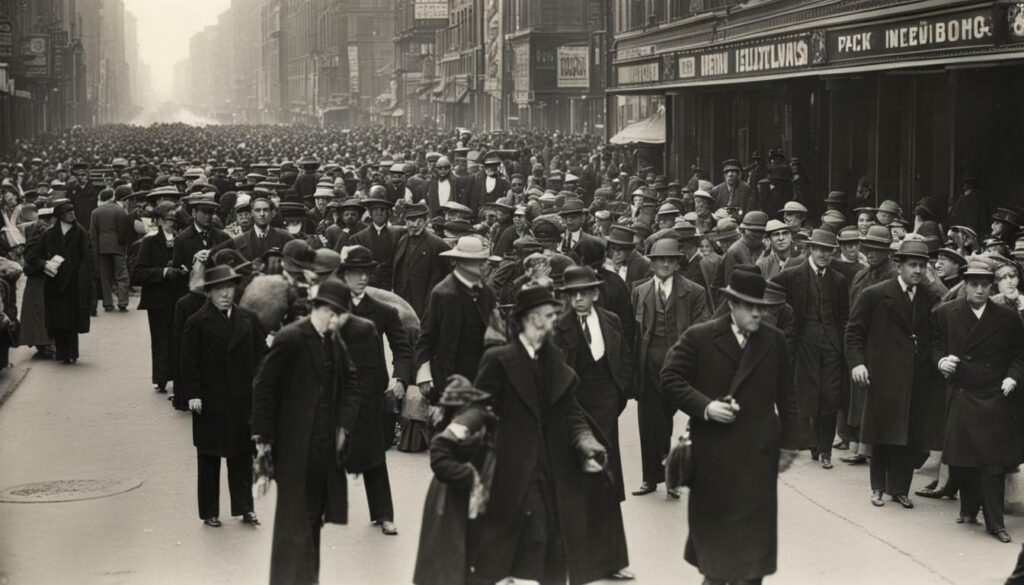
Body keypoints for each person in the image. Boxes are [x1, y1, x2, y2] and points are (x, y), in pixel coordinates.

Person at [471, 284, 625, 585]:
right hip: (511, 468)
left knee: (554, 546)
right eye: (550, 314)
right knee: (524, 543)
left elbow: (572, 412)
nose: (556, 320)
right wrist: (462, 437)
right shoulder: (499, 359)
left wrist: (587, 444)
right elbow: (480, 408)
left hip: (553, 467)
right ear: (532, 318)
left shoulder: (554, 358)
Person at [660, 269, 800, 585]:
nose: (757, 313)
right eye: (749, 306)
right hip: (713, 458)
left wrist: (790, 444)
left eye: (761, 306)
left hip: (757, 459)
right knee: (717, 560)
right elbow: (669, 378)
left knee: (753, 561)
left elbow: (787, 394)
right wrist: (706, 407)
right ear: (732, 303)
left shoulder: (774, 340)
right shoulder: (701, 337)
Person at [251, 278, 364, 585]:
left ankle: (307, 579)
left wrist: (344, 424)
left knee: (312, 520)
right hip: (294, 449)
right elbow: (264, 387)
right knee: (293, 526)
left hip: (324, 449)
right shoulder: (292, 338)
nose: (340, 322)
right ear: (326, 310)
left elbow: (351, 384)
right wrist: (263, 443)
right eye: (339, 315)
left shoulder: (331, 340)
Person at [551, 265, 634, 580]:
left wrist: (618, 394)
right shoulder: (559, 327)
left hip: (606, 410)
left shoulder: (611, 321)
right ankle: (571, 560)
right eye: (572, 294)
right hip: (574, 410)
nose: (578, 300)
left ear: (595, 293)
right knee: (572, 484)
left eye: (583, 293)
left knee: (607, 484)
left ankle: (613, 561)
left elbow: (623, 357)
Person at [845, 239, 940, 509]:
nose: (918, 271)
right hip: (883, 375)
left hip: (916, 377)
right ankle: (877, 488)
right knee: (882, 433)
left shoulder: (929, 296)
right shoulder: (875, 294)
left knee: (908, 435)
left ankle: (899, 489)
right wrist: (857, 364)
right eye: (913, 265)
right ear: (899, 265)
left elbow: (936, 327)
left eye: (923, 265)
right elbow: (854, 333)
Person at [934, 260, 1024, 544]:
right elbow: (932, 345)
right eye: (974, 284)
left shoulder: (1007, 318)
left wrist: (1013, 377)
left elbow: (1020, 354)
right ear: (966, 285)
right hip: (964, 391)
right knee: (965, 460)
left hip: (997, 395)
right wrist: (941, 361)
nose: (980, 290)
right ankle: (969, 507)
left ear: (992, 286)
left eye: (985, 285)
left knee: (993, 464)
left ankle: (995, 523)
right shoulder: (946, 313)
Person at [180, 265, 266, 527]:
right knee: (209, 457)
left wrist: (259, 383)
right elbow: (188, 362)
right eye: (219, 289)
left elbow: (263, 354)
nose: (226, 294)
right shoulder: (196, 322)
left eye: (229, 288)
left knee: (242, 455)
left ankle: (244, 508)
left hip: (242, 398)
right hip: (211, 399)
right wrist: (193, 394)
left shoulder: (248, 319)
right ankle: (210, 511)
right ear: (209, 292)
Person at [337, 245, 414, 536]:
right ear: (344, 275)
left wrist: (400, 379)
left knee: (373, 455)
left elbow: (402, 348)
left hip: (370, 393)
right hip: (335, 393)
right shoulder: (330, 309)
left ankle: (384, 514)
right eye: (356, 272)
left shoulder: (383, 310)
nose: (363, 278)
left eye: (367, 272)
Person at [631, 237, 709, 497]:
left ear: (678, 263)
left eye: (671, 259)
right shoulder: (639, 291)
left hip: (678, 363)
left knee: (667, 418)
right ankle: (651, 478)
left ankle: (671, 471)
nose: (665, 263)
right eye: (660, 259)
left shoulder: (694, 291)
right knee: (648, 419)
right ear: (651, 262)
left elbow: (702, 329)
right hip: (649, 361)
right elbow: (634, 333)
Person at [772, 229, 849, 469]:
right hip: (804, 343)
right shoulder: (793, 275)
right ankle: (814, 442)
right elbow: (771, 293)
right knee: (809, 395)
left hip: (832, 346)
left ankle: (825, 450)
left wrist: (842, 342)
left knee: (830, 396)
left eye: (829, 250)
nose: (824, 254)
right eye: (820, 249)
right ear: (811, 249)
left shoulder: (838, 280)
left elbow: (844, 315)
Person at [414, 236, 497, 403]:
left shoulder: (487, 293)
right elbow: (426, 336)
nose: (485, 266)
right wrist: (424, 373)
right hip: (448, 377)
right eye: (479, 262)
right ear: (462, 263)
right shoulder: (443, 293)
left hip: (479, 376)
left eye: (483, 261)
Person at [26, 198, 95, 364]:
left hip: (74, 282)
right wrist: (44, 264)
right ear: (59, 216)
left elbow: (87, 258)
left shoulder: (81, 233)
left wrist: (84, 279)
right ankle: (62, 353)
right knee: (58, 319)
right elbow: (33, 255)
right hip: (54, 283)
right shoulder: (48, 234)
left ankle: (71, 353)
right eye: (67, 212)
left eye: (72, 211)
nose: (72, 214)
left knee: (72, 319)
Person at [132, 202, 189, 392]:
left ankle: (179, 376)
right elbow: (138, 273)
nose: (171, 223)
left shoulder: (183, 239)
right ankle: (161, 377)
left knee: (180, 337)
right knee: (160, 339)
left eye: (174, 219)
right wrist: (164, 272)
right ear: (158, 221)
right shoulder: (149, 242)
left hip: (180, 296)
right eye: (167, 219)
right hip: (157, 298)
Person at [393, 202, 451, 317]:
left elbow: (439, 280)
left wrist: (430, 307)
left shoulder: (438, 245)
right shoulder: (402, 240)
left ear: (426, 222)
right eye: (410, 220)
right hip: (402, 299)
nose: (414, 225)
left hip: (423, 303)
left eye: (418, 221)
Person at [212, 196, 294, 269]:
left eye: (265, 210)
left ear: (272, 213)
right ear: (252, 213)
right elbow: (215, 253)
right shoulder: (240, 240)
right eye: (258, 210)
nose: (262, 214)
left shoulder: (284, 236)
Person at [348, 190, 404, 290]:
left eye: (382, 210)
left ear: (388, 213)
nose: (379, 213)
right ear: (370, 213)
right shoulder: (357, 238)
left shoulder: (397, 234)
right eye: (375, 210)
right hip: (368, 285)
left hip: (391, 285)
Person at [20, 203, 56, 358]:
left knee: (38, 312)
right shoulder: (42, 232)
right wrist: (45, 263)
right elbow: (31, 256)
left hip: (37, 278)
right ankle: (46, 343)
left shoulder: (35, 230)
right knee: (42, 311)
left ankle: (43, 343)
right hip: (41, 277)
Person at [89, 188, 133, 311]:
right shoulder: (120, 210)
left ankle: (108, 303)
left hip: (102, 248)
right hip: (117, 247)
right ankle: (123, 301)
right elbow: (123, 230)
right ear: (112, 197)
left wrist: (95, 250)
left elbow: (93, 234)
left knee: (105, 276)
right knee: (122, 275)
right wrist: (123, 245)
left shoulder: (95, 212)